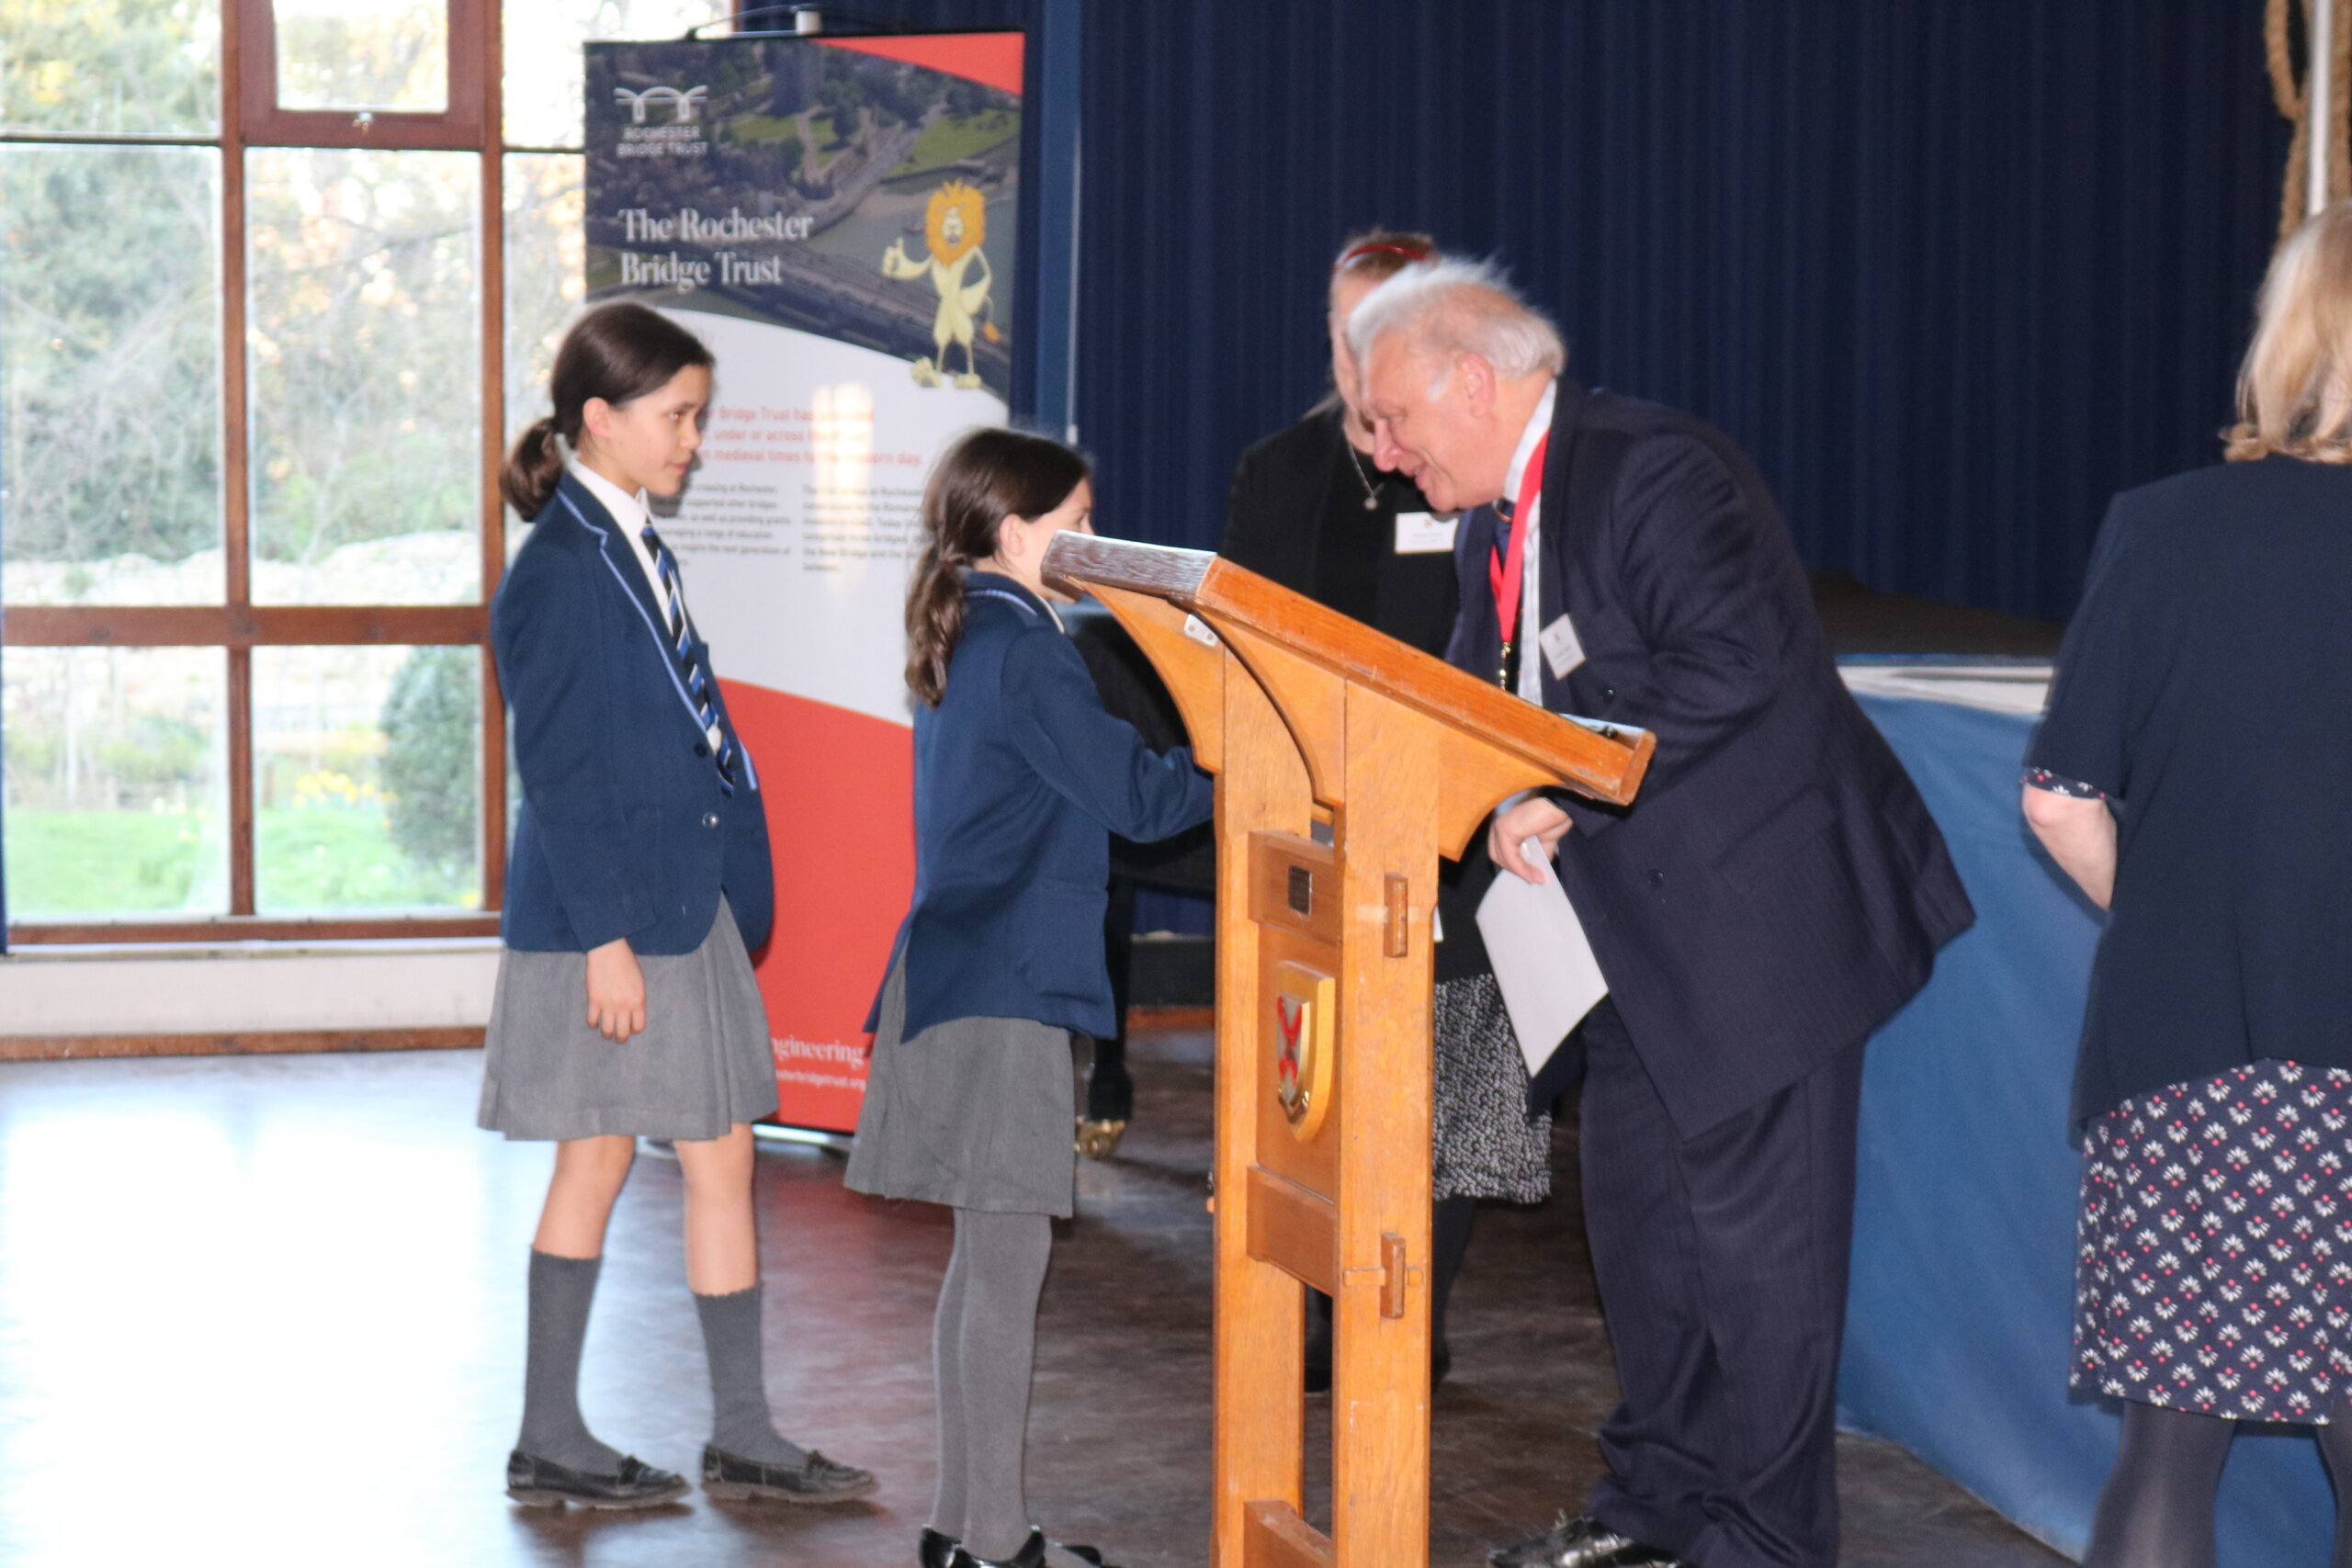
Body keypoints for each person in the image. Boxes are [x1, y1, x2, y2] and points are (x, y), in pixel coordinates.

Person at [1351, 260, 1974, 1568]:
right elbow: (1484, 700)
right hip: (1623, 946)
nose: (1385, 451)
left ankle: (1767, 1538)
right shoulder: (1489, 523)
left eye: (1395, 418)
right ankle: (1655, 1511)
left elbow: (1732, 669)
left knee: (1759, 1265)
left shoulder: (1654, 471)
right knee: (1647, 1244)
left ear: (1473, 381)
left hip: (1760, 935)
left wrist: (1553, 784)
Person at [486, 302, 875, 1511]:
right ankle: (569, 1433)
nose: (694, 440)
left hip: (674, 898)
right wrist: (606, 942)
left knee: (693, 1151)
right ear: (601, 418)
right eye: (679, 416)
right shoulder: (559, 570)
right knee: (612, 1154)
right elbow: (558, 774)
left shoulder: (630, 543)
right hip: (615, 917)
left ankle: (719, 1429)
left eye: (697, 416)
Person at [2024, 200, 2352, 1568]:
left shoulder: (2165, 526)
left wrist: (2172, 916)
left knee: (2169, 1447)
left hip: (2190, 1055)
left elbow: (2060, 795)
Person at [845, 427, 1215, 1568]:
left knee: (984, 1264)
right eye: (1079, 521)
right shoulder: (1028, 649)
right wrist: (1242, 758)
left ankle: (962, 1529)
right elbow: (1138, 801)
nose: (1095, 539)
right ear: (1016, 533)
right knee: (1007, 1271)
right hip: (1001, 984)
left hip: (962, 970)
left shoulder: (972, 625)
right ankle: (1000, 1544)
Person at [1223, 228, 1542, 1393]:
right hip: (1323, 815)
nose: (1360, 355)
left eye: (1382, 330)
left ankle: (1417, 1313)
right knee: (1324, 1075)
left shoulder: (1480, 468)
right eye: (1343, 330)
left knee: (1459, 1082)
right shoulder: (1280, 471)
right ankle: (1329, 1301)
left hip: (1462, 824)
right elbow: (1244, 648)